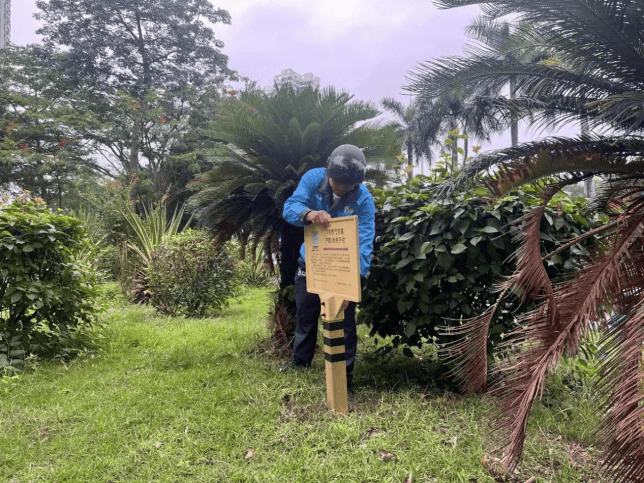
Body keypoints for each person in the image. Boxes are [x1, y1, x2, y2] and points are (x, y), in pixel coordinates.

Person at [280, 144, 376, 390]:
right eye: (335, 181)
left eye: (346, 186)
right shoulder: (313, 178)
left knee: (344, 321)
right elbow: (289, 208)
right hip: (311, 261)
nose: (339, 187)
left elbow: (364, 243)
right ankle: (300, 361)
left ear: (356, 184)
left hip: (342, 269)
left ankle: (345, 377)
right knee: (305, 313)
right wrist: (309, 213)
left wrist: (351, 284)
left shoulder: (364, 199)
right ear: (328, 171)